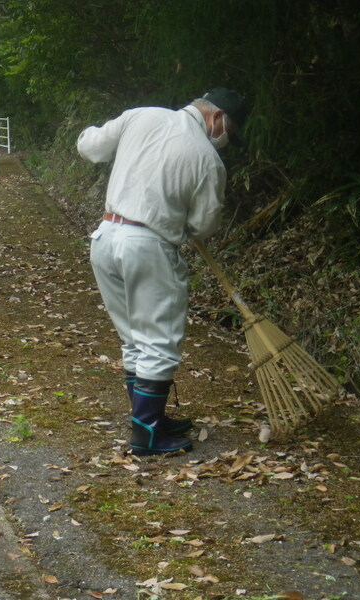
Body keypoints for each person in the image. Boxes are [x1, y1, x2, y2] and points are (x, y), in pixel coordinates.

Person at [76, 87, 248, 456]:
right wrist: (180, 223)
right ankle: (147, 434)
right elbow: (202, 226)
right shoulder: (207, 160)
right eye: (229, 133)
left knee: (135, 339)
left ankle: (148, 418)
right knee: (158, 341)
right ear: (217, 118)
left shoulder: (142, 114)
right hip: (148, 246)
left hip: (105, 237)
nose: (225, 141)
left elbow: (91, 147)